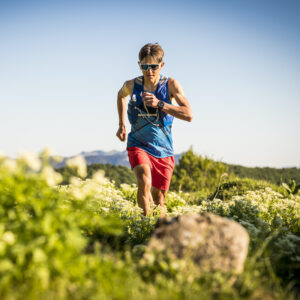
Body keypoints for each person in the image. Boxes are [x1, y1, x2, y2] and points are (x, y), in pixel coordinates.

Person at [116, 42, 193, 217]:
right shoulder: (131, 85)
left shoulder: (171, 85)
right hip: (138, 143)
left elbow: (188, 114)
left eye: (153, 66)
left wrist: (160, 104)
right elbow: (120, 95)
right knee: (144, 180)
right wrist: (121, 124)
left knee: (159, 200)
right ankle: (144, 226)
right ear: (139, 65)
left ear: (162, 65)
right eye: (144, 66)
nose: (149, 71)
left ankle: (158, 232)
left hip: (163, 149)